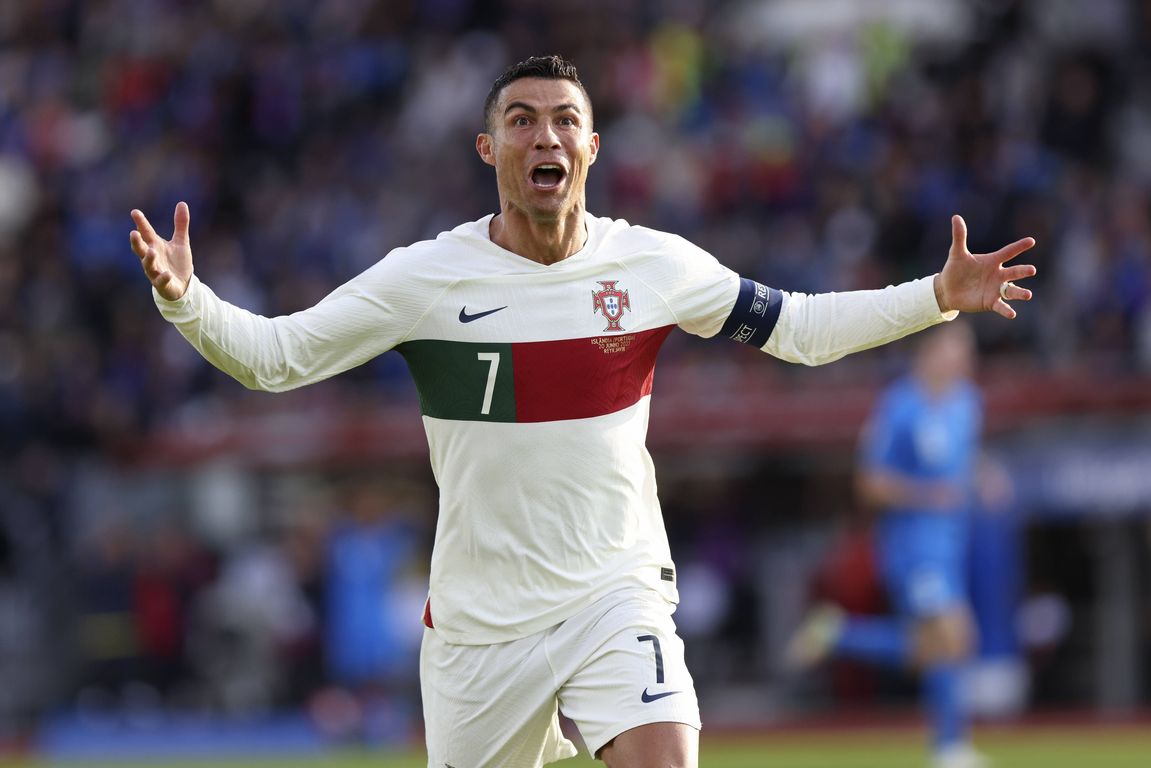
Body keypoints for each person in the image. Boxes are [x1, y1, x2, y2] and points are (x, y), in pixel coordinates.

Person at [130, 55, 1035, 768]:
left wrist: (936, 297)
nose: (543, 136)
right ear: (489, 149)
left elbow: (796, 327)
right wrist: (186, 299)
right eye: (520, 120)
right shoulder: (424, 279)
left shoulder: (652, 267)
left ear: (593, 147)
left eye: (565, 119)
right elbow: (278, 360)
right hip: (481, 630)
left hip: (614, 595)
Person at [788, 322, 990, 768]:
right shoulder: (898, 407)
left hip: (950, 542)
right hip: (912, 546)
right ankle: (949, 748)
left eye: (968, 351)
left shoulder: (967, 403)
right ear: (928, 353)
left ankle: (842, 635)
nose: (964, 360)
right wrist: (927, 494)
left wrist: (986, 477)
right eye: (956, 349)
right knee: (956, 638)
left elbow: (963, 460)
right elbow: (871, 484)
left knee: (932, 647)